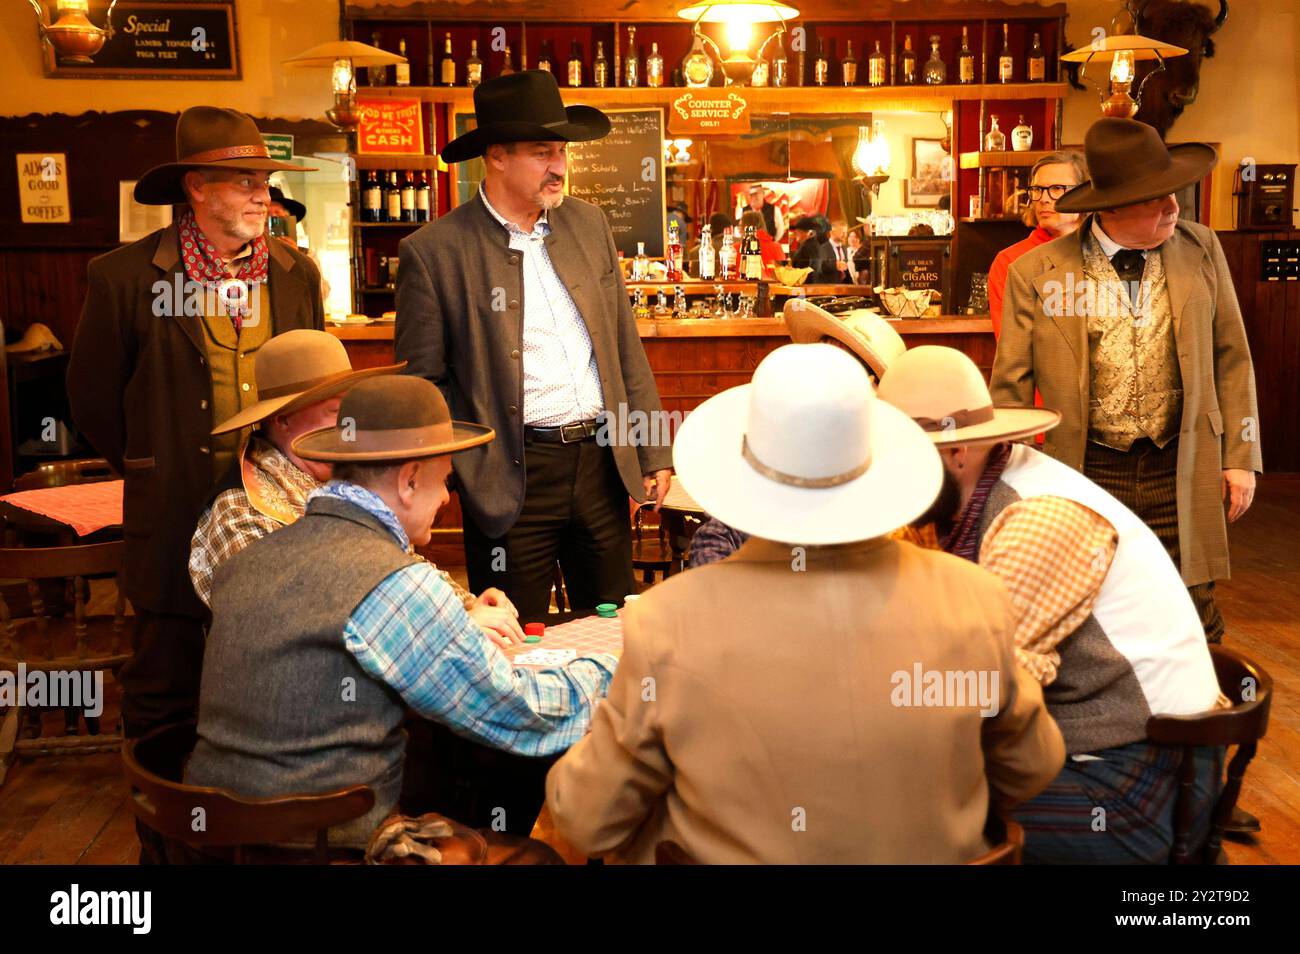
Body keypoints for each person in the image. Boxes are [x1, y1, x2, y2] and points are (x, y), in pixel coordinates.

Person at [545, 344, 1064, 863]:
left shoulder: (668, 620)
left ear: (744, 475)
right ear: (876, 463)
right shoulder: (974, 597)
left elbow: (587, 820)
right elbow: (1030, 767)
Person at [187, 375, 617, 848]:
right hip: (319, 848)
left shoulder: (255, 557)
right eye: (444, 481)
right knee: (534, 849)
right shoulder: (392, 581)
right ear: (409, 481)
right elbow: (515, 713)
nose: (446, 499)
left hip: (210, 838)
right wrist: (622, 672)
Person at [879, 345, 1224, 863]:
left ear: (956, 450)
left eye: (902, 460)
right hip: (1082, 750)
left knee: (901, 818)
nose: (891, 478)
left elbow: (982, 693)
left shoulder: (1038, 520)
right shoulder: (953, 500)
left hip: (1140, 780)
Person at [66, 106, 325, 741]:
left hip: (281, 523)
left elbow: (317, 395)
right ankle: (169, 838)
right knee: (164, 696)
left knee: (279, 687)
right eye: (245, 182)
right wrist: (157, 462)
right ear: (196, 186)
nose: (263, 194)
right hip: (173, 519)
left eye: (266, 181)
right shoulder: (124, 277)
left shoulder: (296, 275)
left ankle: (254, 831)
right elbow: (93, 400)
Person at [396, 71, 672, 622]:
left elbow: (623, 345)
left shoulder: (588, 223)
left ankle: (612, 715)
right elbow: (423, 384)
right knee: (514, 639)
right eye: (543, 151)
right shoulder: (435, 252)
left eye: (563, 151)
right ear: (495, 156)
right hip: (508, 476)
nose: (560, 166)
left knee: (614, 628)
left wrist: (653, 447)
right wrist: (459, 471)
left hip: (600, 463)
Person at [993, 117, 1262, 651]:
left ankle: (1195, 726)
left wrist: (1241, 454)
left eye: (1173, 195)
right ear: (1110, 207)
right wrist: (1012, 481)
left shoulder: (1201, 248)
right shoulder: (1037, 271)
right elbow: (1011, 387)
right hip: (1087, 469)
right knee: (1090, 611)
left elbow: (1232, 355)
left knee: (1195, 613)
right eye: (1155, 199)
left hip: (1180, 461)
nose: (1173, 208)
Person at [987, 150, 1087, 338]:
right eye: (1037, 190)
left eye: (1057, 189)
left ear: (1084, 194)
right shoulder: (1010, 262)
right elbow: (1013, 346)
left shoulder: (1108, 252)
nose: (1043, 198)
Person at [788, 214, 838, 283]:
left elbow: (815, 267)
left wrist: (808, 284)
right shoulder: (805, 244)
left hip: (807, 285)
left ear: (809, 233)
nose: (796, 233)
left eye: (799, 231)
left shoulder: (811, 245)